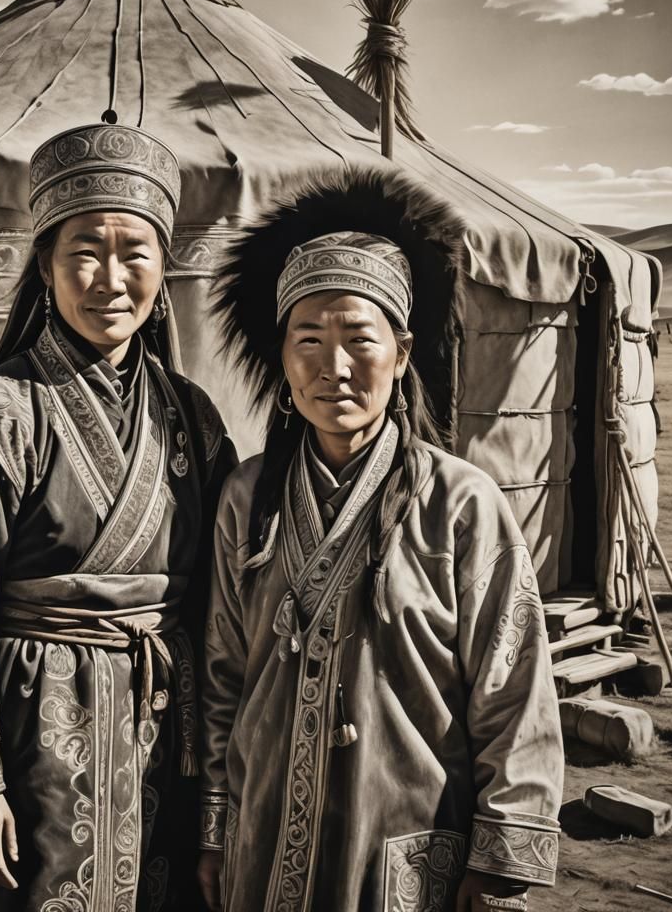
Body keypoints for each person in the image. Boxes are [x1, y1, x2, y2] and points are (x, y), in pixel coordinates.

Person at [197, 169, 564, 912]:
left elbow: (515, 691)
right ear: (282, 359)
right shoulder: (248, 499)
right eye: (309, 340)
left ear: (400, 354)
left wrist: (502, 858)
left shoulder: (462, 504)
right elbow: (222, 678)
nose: (333, 367)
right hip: (263, 842)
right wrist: (212, 826)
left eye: (358, 339)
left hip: (407, 850)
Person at [0, 121, 237, 912]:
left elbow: (222, 595)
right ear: (47, 266)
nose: (110, 278)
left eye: (136, 252)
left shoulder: (191, 419)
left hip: (164, 733)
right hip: (34, 737)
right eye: (86, 250)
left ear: (164, 265)